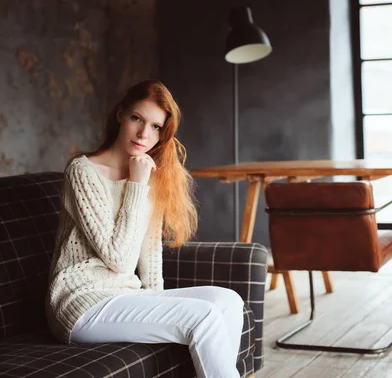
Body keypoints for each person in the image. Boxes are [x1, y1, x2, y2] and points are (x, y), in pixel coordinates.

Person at [45, 80, 244, 378]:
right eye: (137, 119)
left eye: (155, 127)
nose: (143, 134)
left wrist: (159, 307)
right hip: (80, 302)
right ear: (120, 115)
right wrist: (136, 184)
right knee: (203, 317)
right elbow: (120, 259)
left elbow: (149, 256)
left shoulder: (149, 174)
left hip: (125, 296)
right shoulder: (83, 171)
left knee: (228, 302)